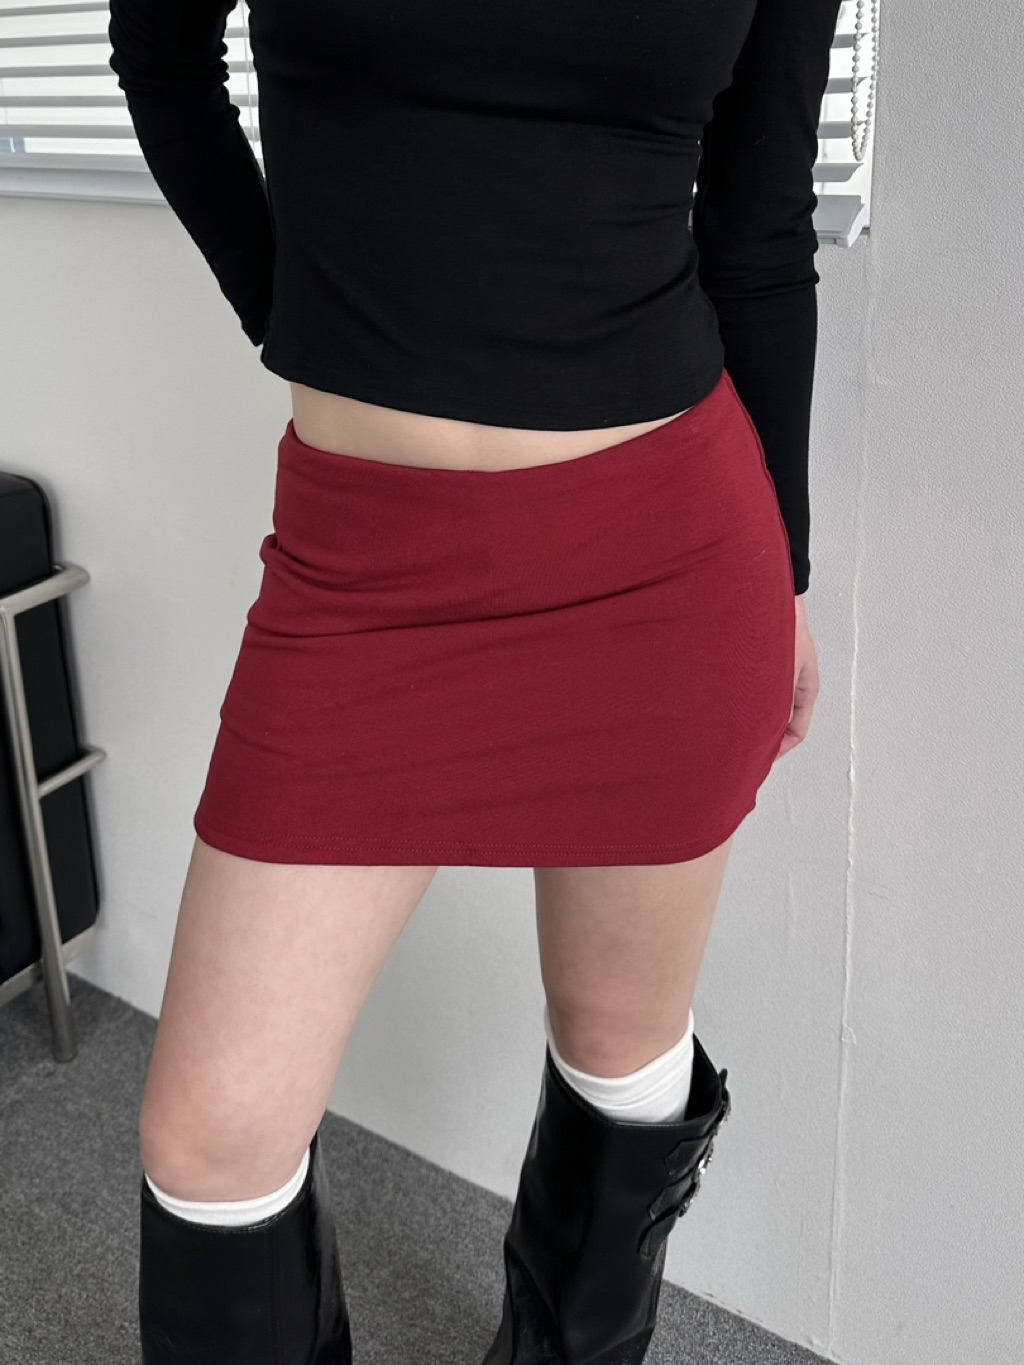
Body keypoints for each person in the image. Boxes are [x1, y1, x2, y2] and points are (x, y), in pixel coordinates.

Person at [106, 0, 836, 1359]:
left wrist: (785, 570)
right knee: (209, 1149)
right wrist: (293, 312)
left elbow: (761, 220)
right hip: (360, 575)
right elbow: (160, 56)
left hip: (667, 564)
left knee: (619, 1049)